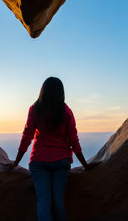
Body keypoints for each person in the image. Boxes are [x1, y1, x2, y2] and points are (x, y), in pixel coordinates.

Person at [8, 77, 90, 221]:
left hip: (39, 162)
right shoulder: (66, 111)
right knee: (58, 202)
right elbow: (73, 141)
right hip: (61, 162)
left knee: (43, 202)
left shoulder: (34, 110)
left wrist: (16, 162)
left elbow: (27, 137)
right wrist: (86, 166)